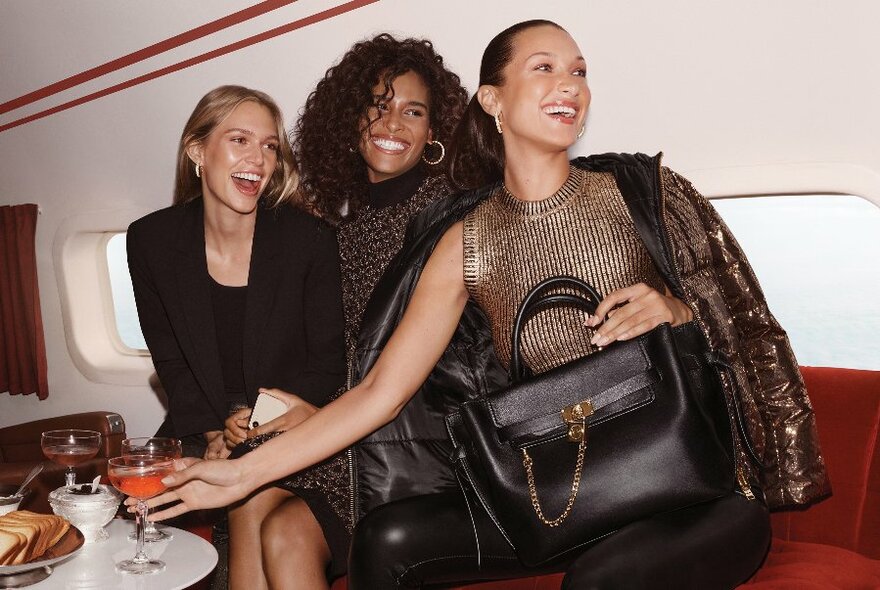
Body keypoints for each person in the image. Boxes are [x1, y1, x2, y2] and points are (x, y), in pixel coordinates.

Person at [148, 22, 829, 589]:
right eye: (545, 68)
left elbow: (746, 326)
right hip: (562, 495)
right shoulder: (464, 242)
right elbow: (380, 392)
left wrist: (676, 310)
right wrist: (236, 476)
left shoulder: (642, 191)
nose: (571, 84)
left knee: (603, 579)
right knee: (388, 538)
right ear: (494, 101)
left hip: (690, 493)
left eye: (579, 71)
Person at [215, 35, 469, 589]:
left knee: (278, 522)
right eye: (376, 107)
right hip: (347, 434)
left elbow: (409, 375)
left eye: (413, 111)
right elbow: (327, 349)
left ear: (434, 134)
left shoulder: (443, 218)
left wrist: (315, 415)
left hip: (413, 442)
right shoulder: (336, 227)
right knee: (248, 492)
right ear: (349, 121)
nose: (392, 123)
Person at [126, 84, 346, 582]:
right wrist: (211, 429)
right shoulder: (151, 239)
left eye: (270, 146)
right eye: (240, 140)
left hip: (292, 422)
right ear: (198, 150)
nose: (259, 158)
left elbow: (326, 364)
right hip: (198, 421)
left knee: (248, 496)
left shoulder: (308, 239)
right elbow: (170, 358)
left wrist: (254, 424)